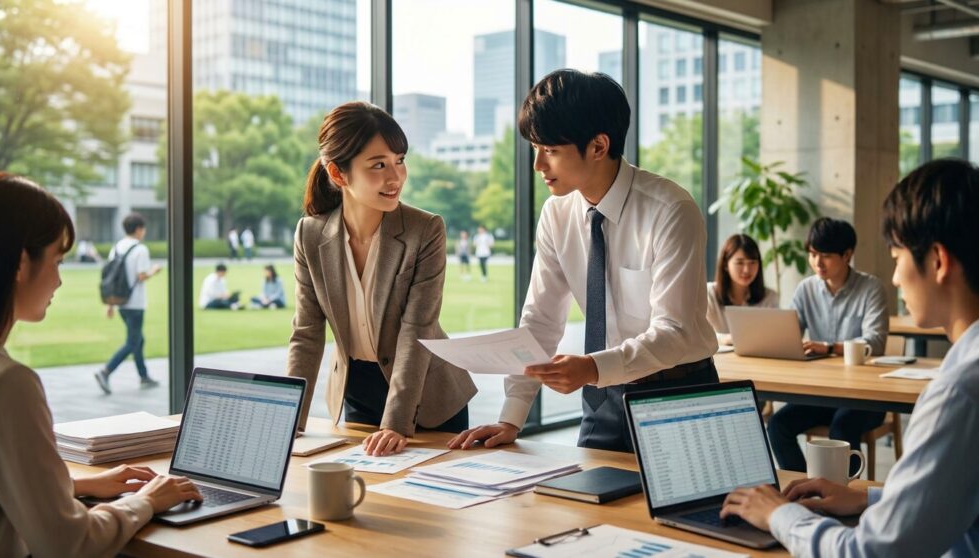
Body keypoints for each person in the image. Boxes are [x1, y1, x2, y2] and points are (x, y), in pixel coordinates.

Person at [449, 69, 718, 453]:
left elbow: (674, 332)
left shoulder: (671, 210)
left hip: (679, 394)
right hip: (601, 395)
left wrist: (592, 368)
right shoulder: (556, 215)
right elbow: (540, 322)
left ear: (598, 146)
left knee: (686, 512)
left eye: (551, 151)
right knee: (583, 507)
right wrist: (511, 416)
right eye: (535, 149)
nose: (538, 166)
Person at [720, 159, 979, 557]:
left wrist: (778, 515)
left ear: (938, 261)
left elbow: (870, 552)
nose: (895, 278)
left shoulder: (957, 392)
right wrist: (870, 499)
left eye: (897, 258)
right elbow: (956, 497)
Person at [0, 172, 202, 557]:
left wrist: (75, 485)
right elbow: (68, 543)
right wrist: (147, 500)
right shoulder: (6, 384)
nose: (59, 281)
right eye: (56, 261)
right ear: (20, 263)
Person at [287, 101, 477, 457]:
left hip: (428, 396)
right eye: (378, 165)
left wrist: (396, 424)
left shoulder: (425, 230)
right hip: (357, 390)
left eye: (399, 161)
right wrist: (287, 420)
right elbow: (307, 333)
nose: (395, 177)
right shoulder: (310, 235)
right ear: (338, 174)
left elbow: (417, 329)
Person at [767, 217, 889, 475]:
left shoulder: (871, 288)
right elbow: (788, 336)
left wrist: (829, 347)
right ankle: (808, 489)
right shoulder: (805, 289)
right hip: (822, 393)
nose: (817, 263)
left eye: (825, 255)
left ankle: (848, 493)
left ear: (847, 255)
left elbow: (875, 343)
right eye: (812, 254)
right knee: (778, 425)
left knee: (842, 429)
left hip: (864, 396)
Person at [94, 213, 162, 394]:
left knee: (138, 339)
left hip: (120, 302)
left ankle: (144, 376)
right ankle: (105, 371)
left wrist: (110, 304)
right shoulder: (140, 249)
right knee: (133, 342)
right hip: (135, 303)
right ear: (139, 229)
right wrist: (154, 270)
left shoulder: (116, 248)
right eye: (144, 229)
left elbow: (111, 278)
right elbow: (141, 275)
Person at [707, 233, 779, 345]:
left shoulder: (769, 297)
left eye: (752, 262)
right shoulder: (709, 294)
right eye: (740, 263)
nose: (746, 270)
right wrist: (727, 339)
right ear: (726, 264)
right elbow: (699, 335)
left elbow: (774, 336)